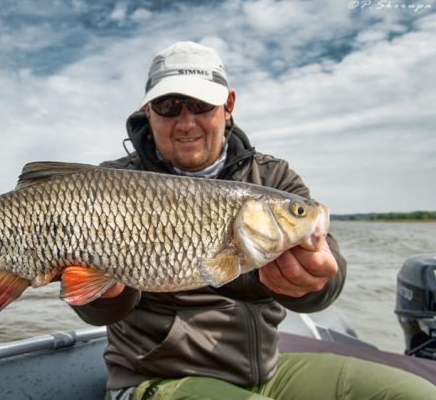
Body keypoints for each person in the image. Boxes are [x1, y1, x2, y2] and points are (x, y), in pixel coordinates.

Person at [71, 42, 436, 399]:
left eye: (200, 104)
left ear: (228, 105)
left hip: (268, 372)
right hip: (156, 378)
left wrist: (314, 281)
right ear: (148, 111)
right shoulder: (110, 186)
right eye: (168, 106)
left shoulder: (273, 178)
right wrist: (103, 291)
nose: (185, 122)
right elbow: (96, 310)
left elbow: (328, 277)